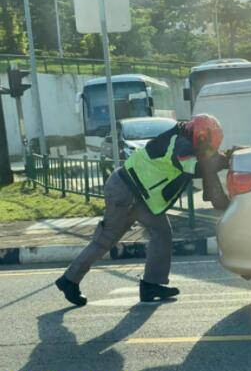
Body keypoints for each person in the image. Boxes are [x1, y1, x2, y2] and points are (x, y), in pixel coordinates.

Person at [55, 114, 230, 306]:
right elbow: (194, 167)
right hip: (126, 192)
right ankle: (69, 281)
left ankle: (151, 284)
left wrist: (225, 157)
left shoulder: (181, 136)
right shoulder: (182, 146)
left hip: (139, 195)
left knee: (161, 233)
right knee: (105, 240)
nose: (208, 149)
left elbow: (205, 159)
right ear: (201, 136)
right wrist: (222, 162)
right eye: (208, 145)